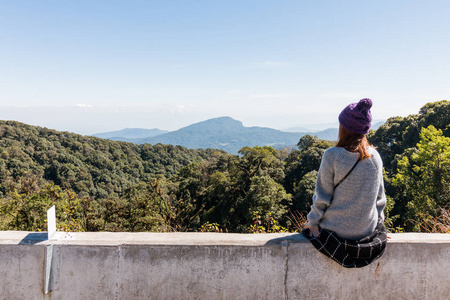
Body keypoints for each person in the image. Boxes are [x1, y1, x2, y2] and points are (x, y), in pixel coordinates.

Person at [302, 98, 387, 268]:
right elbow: (380, 198)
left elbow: (322, 196)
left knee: (305, 232)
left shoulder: (332, 155)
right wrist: (379, 224)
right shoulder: (375, 157)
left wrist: (312, 223)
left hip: (337, 231)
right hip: (367, 231)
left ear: (344, 128)